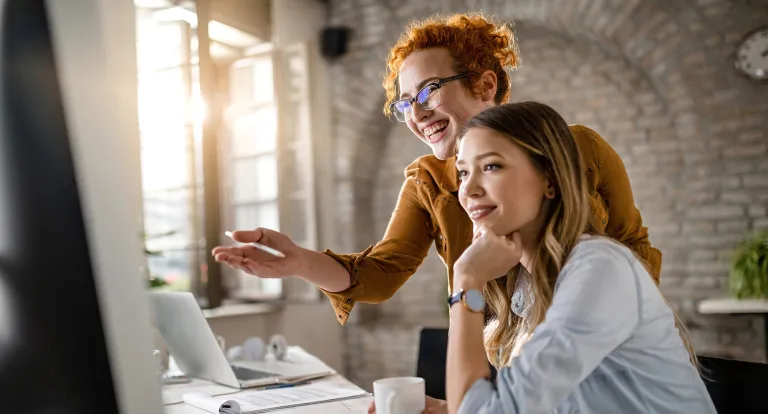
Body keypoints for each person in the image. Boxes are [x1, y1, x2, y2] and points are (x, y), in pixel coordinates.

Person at [211, 13, 661, 413]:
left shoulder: (576, 150)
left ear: (485, 85)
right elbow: (383, 271)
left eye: (428, 90)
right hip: (518, 378)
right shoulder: (427, 180)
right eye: (405, 102)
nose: (416, 112)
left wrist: (615, 325)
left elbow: (633, 250)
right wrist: (299, 263)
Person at [446, 101, 714, 414]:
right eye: (463, 172)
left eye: (491, 166)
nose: (469, 190)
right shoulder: (528, 286)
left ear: (550, 179)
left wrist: (466, 281)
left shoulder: (600, 268)